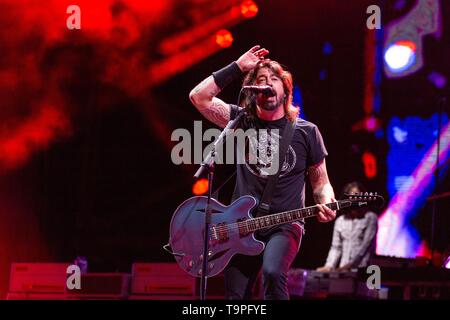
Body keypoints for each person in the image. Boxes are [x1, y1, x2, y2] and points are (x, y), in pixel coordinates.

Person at [189, 45, 336, 300]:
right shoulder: (240, 121)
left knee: (272, 273)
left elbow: (320, 181)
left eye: (274, 79)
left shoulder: (306, 131)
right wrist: (236, 67)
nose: (267, 84)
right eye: (261, 80)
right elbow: (198, 97)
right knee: (235, 294)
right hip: (240, 226)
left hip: (285, 224)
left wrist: (326, 202)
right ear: (253, 90)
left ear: (285, 89)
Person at [316, 182, 378, 272]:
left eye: (357, 196)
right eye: (352, 197)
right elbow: (336, 247)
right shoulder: (340, 221)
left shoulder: (370, 218)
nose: (355, 200)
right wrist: (328, 266)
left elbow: (365, 248)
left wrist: (349, 266)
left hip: (367, 271)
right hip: (343, 271)